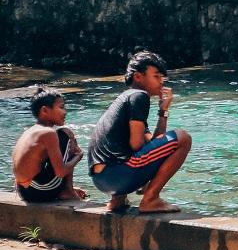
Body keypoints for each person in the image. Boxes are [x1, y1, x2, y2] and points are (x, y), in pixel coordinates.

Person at [87, 51, 192, 213]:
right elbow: (137, 144)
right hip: (117, 176)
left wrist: (163, 111)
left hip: (102, 181)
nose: (161, 82)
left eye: (162, 77)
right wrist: (147, 182)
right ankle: (150, 199)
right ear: (138, 77)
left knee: (147, 148)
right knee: (183, 138)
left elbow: (155, 143)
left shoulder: (126, 98)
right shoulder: (139, 96)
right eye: (156, 76)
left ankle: (117, 201)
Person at [11, 88, 87, 203]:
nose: (65, 112)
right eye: (61, 107)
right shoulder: (48, 133)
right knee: (66, 134)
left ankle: (65, 189)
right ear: (45, 110)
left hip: (24, 190)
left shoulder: (29, 131)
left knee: (62, 135)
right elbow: (60, 172)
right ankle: (68, 190)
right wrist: (79, 156)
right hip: (38, 191)